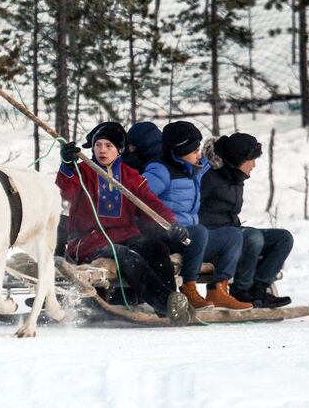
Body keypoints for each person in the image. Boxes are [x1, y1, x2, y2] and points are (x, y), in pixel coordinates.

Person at [56, 122, 191, 325]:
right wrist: (67, 166)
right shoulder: (82, 172)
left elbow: (150, 204)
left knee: (155, 247)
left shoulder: (130, 176)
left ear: (119, 150)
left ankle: (174, 301)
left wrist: (171, 224)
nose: (102, 150)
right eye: (98, 145)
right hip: (90, 240)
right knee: (123, 255)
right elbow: (66, 191)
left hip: (126, 235)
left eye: (108, 146)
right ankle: (165, 303)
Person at [130, 120, 251, 311]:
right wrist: (164, 225)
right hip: (168, 235)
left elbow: (217, 163)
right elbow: (139, 199)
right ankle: (189, 288)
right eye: (194, 151)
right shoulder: (160, 169)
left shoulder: (192, 169)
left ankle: (218, 290)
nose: (199, 154)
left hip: (191, 237)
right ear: (180, 151)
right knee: (200, 232)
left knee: (233, 236)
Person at [200, 133, 293, 308]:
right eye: (251, 159)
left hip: (233, 232)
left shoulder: (235, 176)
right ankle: (241, 291)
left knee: (283, 238)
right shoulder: (209, 177)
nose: (254, 165)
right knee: (253, 237)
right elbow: (191, 209)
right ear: (238, 159)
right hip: (213, 238)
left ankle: (259, 288)